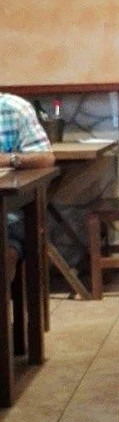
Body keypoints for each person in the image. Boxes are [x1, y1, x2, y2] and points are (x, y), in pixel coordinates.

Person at [0, 92, 55, 284]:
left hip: (8, 211)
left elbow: (46, 158)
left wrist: (8, 159)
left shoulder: (14, 108)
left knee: (8, 242)